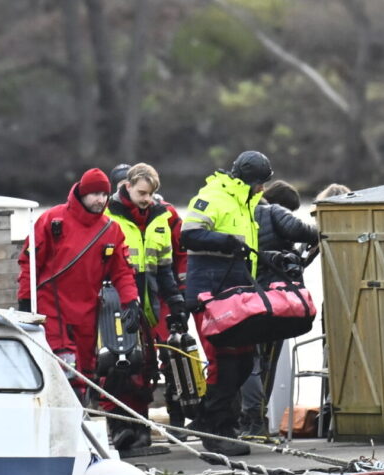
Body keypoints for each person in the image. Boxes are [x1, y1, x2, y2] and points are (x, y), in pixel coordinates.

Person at [17, 168, 140, 404]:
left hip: (87, 309)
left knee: (85, 367)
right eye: (94, 194)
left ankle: (80, 419)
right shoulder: (53, 220)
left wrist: (130, 301)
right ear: (82, 194)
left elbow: (122, 271)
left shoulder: (111, 230)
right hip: (51, 306)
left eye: (104, 194)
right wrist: (25, 300)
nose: (100, 200)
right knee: (65, 364)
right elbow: (29, 262)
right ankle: (66, 415)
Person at [181, 150, 273, 456]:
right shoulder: (212, 197)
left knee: (244, 361)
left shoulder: (245, 202)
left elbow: (246, 249)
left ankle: (218, 420)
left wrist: (272, 258)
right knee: (224, 363)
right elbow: (189, 236)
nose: (262, 189)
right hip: (210, 292)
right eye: (259, 183)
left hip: (236, 290)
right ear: (247, 180)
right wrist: (225, 240)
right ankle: (215, 429)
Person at [102, 163, 187, 452]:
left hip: (149, 299)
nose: (146, 199)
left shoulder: (160, 217)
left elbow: (165, 266)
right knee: (118, 364)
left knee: (147, 366)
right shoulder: (107, 217)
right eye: (142, 193)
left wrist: (176, 301)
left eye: (150, 194)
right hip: (114, 300)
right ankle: (122, 427)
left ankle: (141, 431)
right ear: (126, 186)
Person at [239, 180, 320, 437]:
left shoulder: (244, 218)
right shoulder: (275, 217)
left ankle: (243, 420)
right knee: (266, 364)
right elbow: (307, 233)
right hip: (275, 302)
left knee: (246, 361)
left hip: (244, 301)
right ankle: (257, 421)